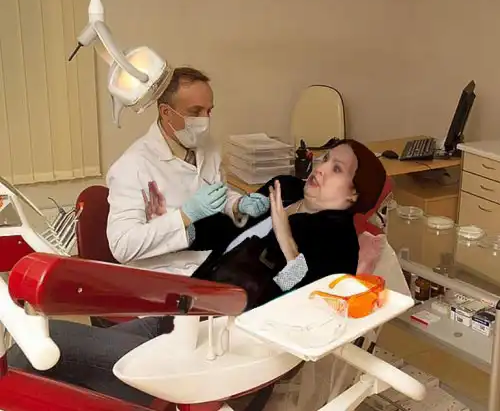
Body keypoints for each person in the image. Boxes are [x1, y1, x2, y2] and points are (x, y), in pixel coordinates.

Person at [8, 139, 387, 407]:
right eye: (325, 158)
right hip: (187, 308)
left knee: (41, 352)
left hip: (220, 345)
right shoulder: (287, 188)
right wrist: (186, 222)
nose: (320, 168)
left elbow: (300, 302)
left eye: (337, 169)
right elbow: (226, 230)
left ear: (353, 195)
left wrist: (287, 241)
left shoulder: (337, 241)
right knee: (47, 346)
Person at [106, 66, 269, 273]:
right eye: (195, 112)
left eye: (208, 111)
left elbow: (216, 191)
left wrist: (237, 204)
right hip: (166, 273)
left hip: (212, 258)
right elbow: (122, 246)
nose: (205, 120)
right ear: (166, 112)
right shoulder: (131, 167)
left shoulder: (208, 146)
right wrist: (184, 216)